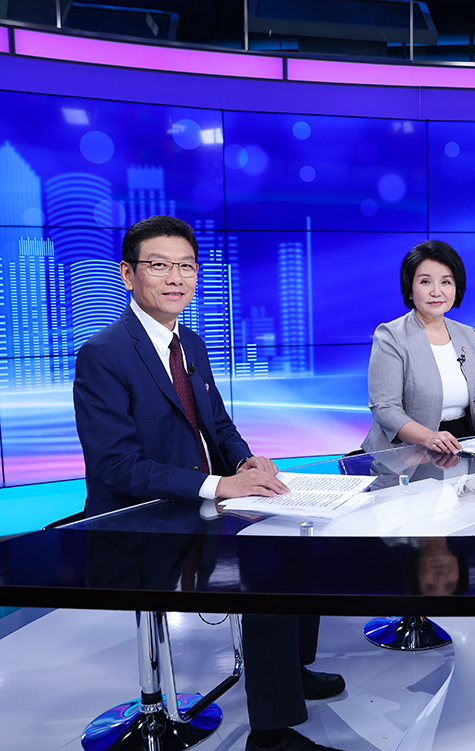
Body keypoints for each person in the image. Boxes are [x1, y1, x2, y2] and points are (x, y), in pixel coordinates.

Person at [73, 215, 345, 751]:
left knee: (300, 537)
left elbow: (218, 425)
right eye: (160, 265)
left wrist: (245, 462)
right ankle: (271, 735)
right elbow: (116, 466)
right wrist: (218, 487)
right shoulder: (104, 353)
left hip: (200, 506)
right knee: (266, 573)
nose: (176, 277)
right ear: (128, 274)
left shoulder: (190, 344)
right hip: (140, 522)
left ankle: (289, 670)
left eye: (187, 266)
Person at [361, 240, 475, 455]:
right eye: (425, 282)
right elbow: (385, 408)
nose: (436, 291)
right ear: (410, 290)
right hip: (406, 453)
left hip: (463, 445)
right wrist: (428, 437)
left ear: (456, 288)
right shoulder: (391, 336)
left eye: (446, 282)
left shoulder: (468, 335)